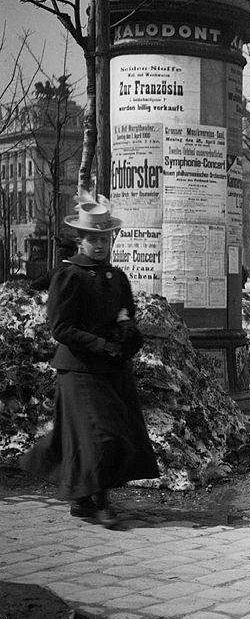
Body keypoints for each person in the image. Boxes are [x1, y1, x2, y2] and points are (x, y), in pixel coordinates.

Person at [20, 198, 159, 527]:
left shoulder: (117, 277)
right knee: (100, 436)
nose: (99, 245)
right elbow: (61, 328)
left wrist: (126, 335)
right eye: (92, 239)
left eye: (104, 239)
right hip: (79, 369)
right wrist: (101, 345)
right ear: (80, 240)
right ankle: (99, 501)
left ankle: (82, 499)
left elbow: (127, 317)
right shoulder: (69, 276)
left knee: (105, 434)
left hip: (112, 368)